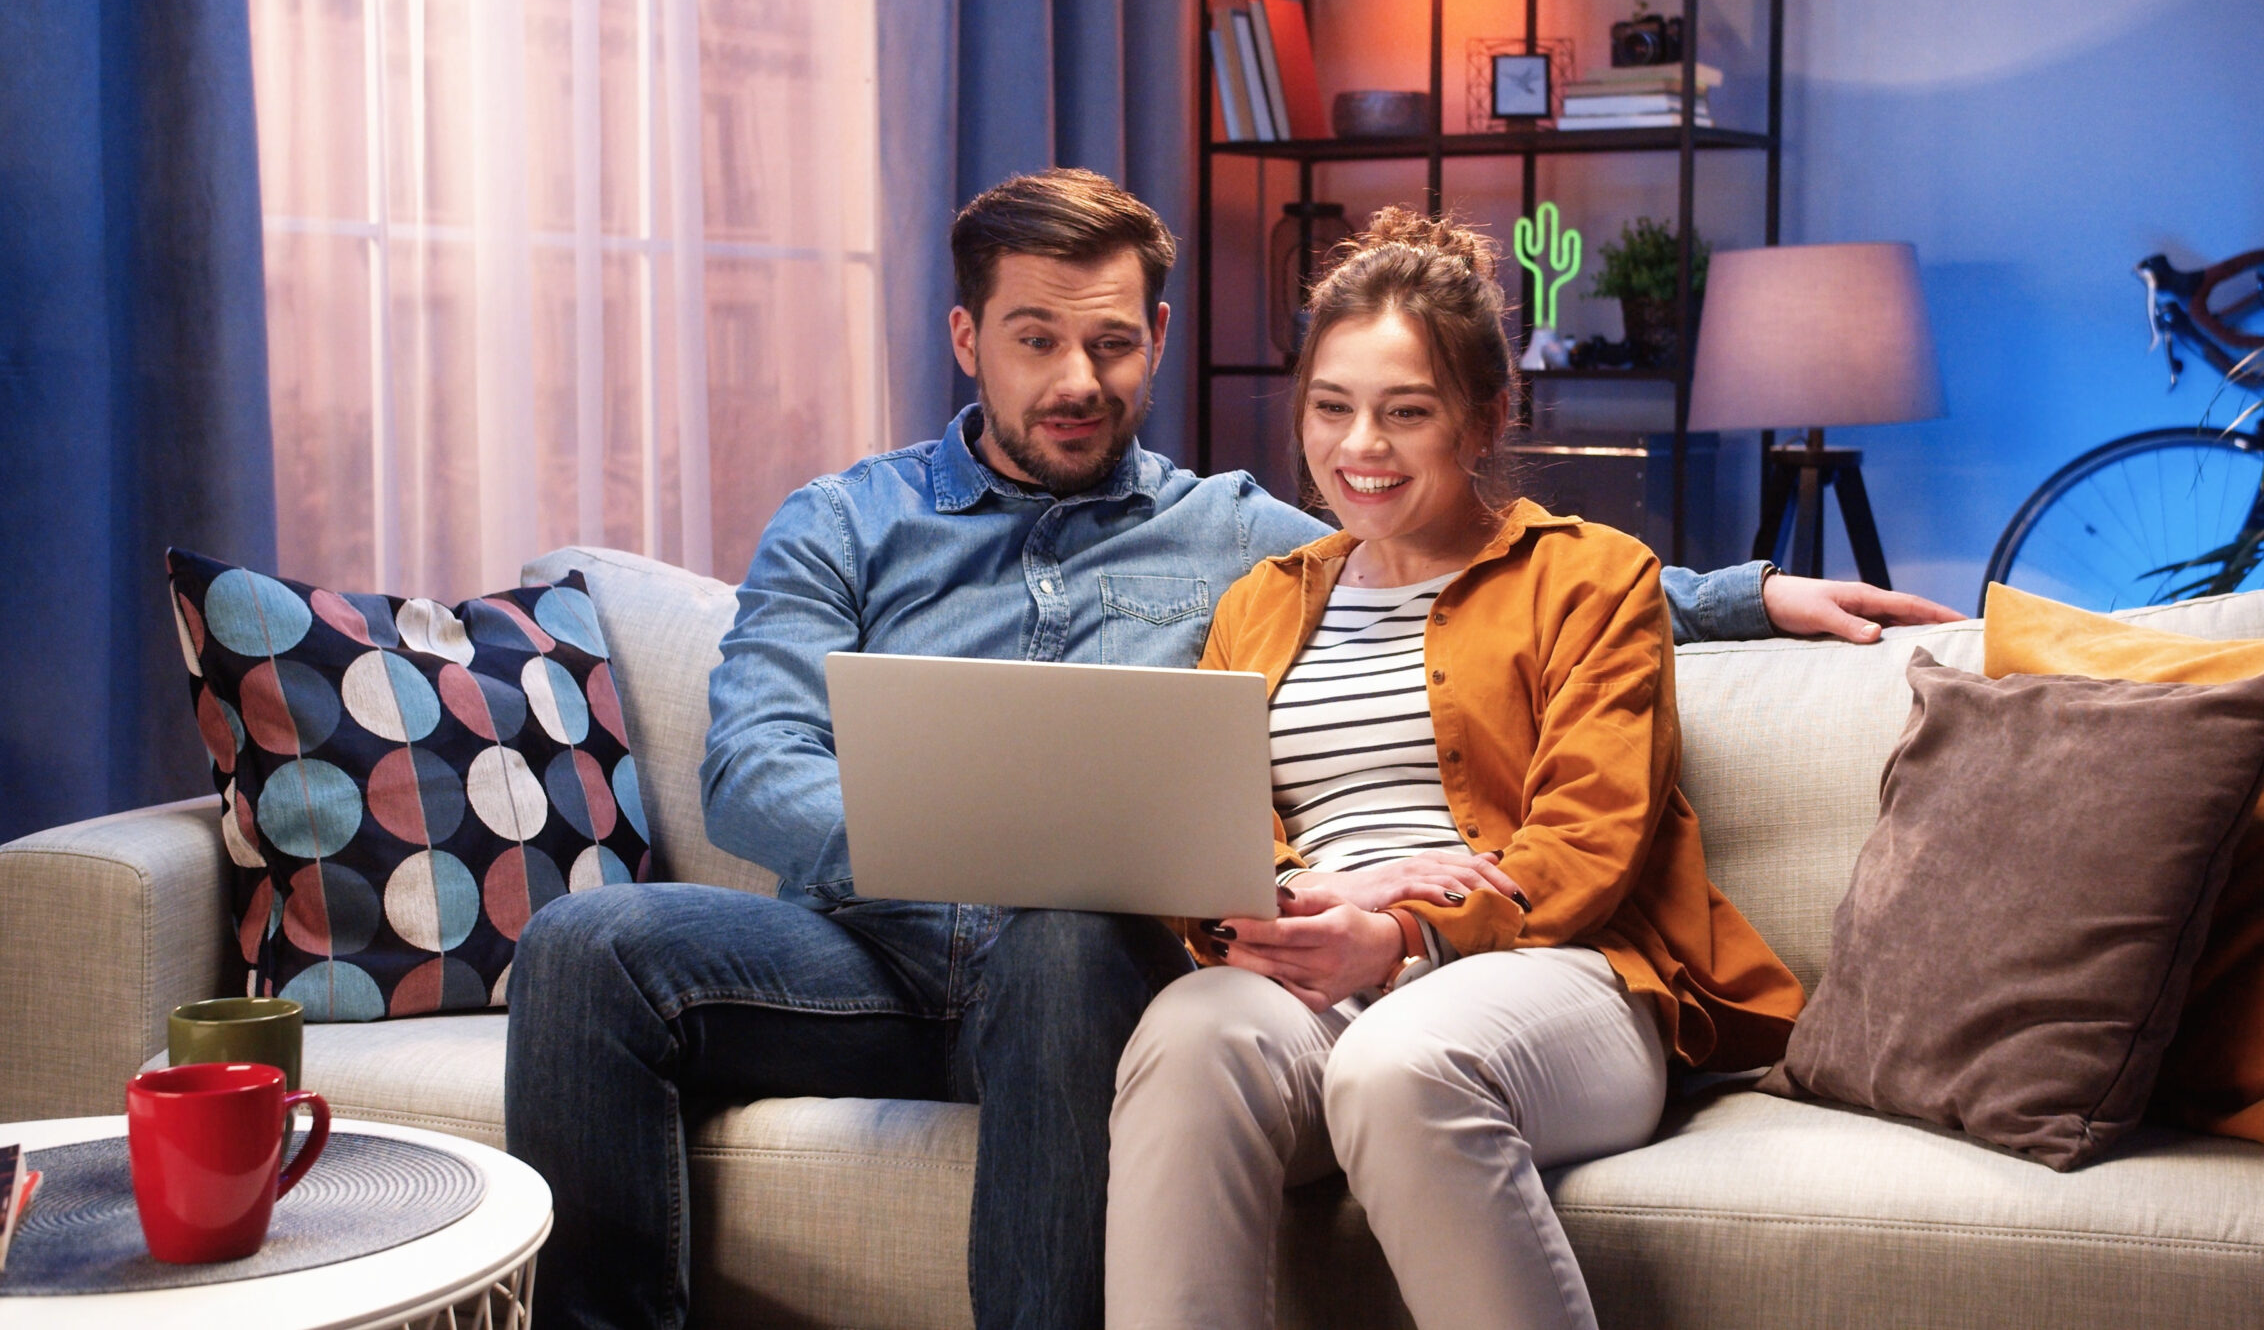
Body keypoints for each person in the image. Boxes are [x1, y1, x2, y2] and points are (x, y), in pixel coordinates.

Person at [504, 169, 1960, 1330]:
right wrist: (962, 851)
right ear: (968, 339)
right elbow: (751, 768)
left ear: (1159, 339)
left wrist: (1747, 589)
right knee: (587, 947)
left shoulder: (1239, 536)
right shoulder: (845, 522)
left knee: (1073, 932)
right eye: (1037, 338)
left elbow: (1470, 556)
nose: (1078, 374)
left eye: (1115, 340)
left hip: (1090, 964)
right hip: (873, 952)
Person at [1103, 210, 1810, 1330]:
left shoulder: (1590, 577)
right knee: (1184, 1042)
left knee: (1402, 1066)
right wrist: (1301, 902)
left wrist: (1402, 929)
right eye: (1331, 409)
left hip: (1558, 972)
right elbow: (1222, 828)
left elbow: (1589, 843)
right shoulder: (1262, 602)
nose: (1359, 448)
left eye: (1406, 413)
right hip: (1315, 966)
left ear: (1486, 419)